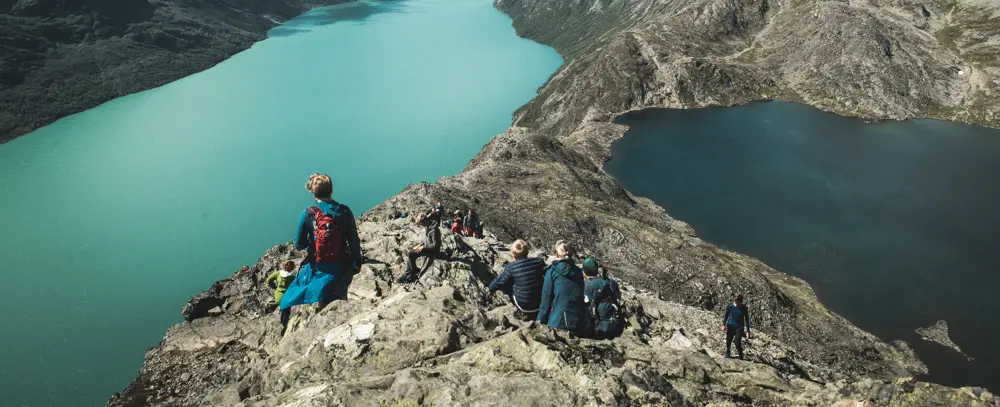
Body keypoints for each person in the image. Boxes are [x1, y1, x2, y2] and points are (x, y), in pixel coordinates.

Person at [279, 173, 363, 335]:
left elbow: (299, 244)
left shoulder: (308, 213)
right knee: (339, 296)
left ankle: (315, 326)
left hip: (318, 267)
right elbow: (353, 240)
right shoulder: (344, 211)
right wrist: (357, 263)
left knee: (293, 295)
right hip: (341, 265)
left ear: (313, 192)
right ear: (331, 190)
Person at [485, 239, 546, 320]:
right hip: (541, 302)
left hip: (525, 306)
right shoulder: (539, 261)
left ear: (514, 255)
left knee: (508, 282)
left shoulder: (511, 267)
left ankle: (520, 312)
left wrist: (490, 289)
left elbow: (500, 282)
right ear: (527, 252)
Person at [536, 240, 587, 333]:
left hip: (558, 321)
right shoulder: (579, 272)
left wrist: (539, 321)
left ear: (556, 254)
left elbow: (546, 299)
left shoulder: (552, 271)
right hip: (578, 321)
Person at [396, 213, 441, 284]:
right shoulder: (427, 227)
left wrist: (423, 247)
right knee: (410, 253)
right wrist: (419, 245)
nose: (421, 226)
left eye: (421, 224)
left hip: (432, 251)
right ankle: (411, 272)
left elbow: (436, 246)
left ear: (425, 220)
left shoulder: (434, 230)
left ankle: (411, 275)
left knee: (411, 254)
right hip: (427, 248)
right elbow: (426, 240)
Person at [583, 259, 622, 339]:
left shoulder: (583, 284)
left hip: (590, 326)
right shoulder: (606, 283)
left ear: (584, 272)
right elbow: (615, 302)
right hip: (610, 324)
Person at [723, 293, 751, 359]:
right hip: (730, 326)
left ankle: (741, 356)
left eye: (736, 301)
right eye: (734, 300)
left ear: (740, 301)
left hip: (739, 327)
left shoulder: (744, 308)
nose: (735, 302)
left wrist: (748, 331)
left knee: (737, 342)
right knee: (728, 341)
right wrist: (724, 325)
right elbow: (726, 315)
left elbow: (747, 319)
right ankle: (728, 353)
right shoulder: (730, 306)